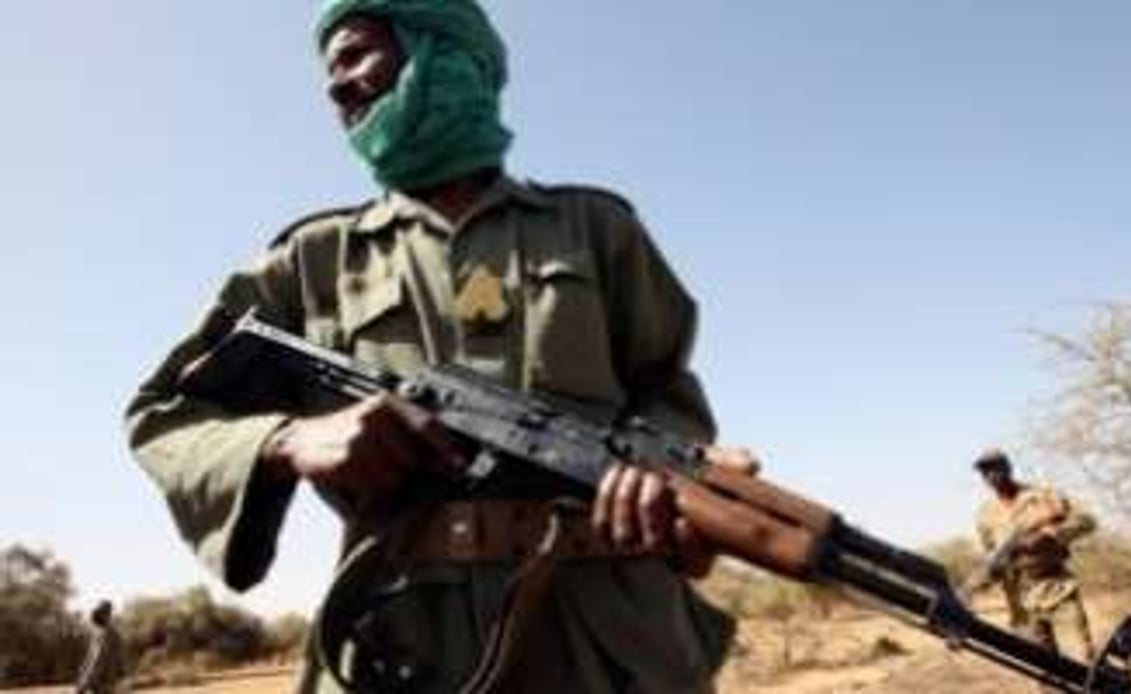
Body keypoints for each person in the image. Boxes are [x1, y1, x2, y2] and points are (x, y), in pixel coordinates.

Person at [126, 1, 755, 691]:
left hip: (603, 633)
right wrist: (289, 441)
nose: (336, 86)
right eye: (328, 71)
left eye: (356, 54)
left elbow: (667, 390)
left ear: (442, 53)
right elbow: (163, 416)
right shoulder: (311, 260)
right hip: (399, 637)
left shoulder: (594, 228)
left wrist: (664, 471)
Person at [971, 448, 1096, 664]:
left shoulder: (1042, 496)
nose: (992, 475)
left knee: (1083, 664)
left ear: (1008, 468)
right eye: (985, 472)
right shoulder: (985, 515)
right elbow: (991, 557)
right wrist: (985, 578)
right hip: (1022, 604)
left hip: (1057, 590)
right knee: (1045, 674)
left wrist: (1051, 535)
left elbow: (1087, 521)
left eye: (996, 468)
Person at [76, 600, 125, 694]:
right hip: (105, 681)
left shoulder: (105, 635)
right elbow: (91, 658)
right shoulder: (107, 634)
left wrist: (85, 681)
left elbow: (98, 659)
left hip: (103, 681)